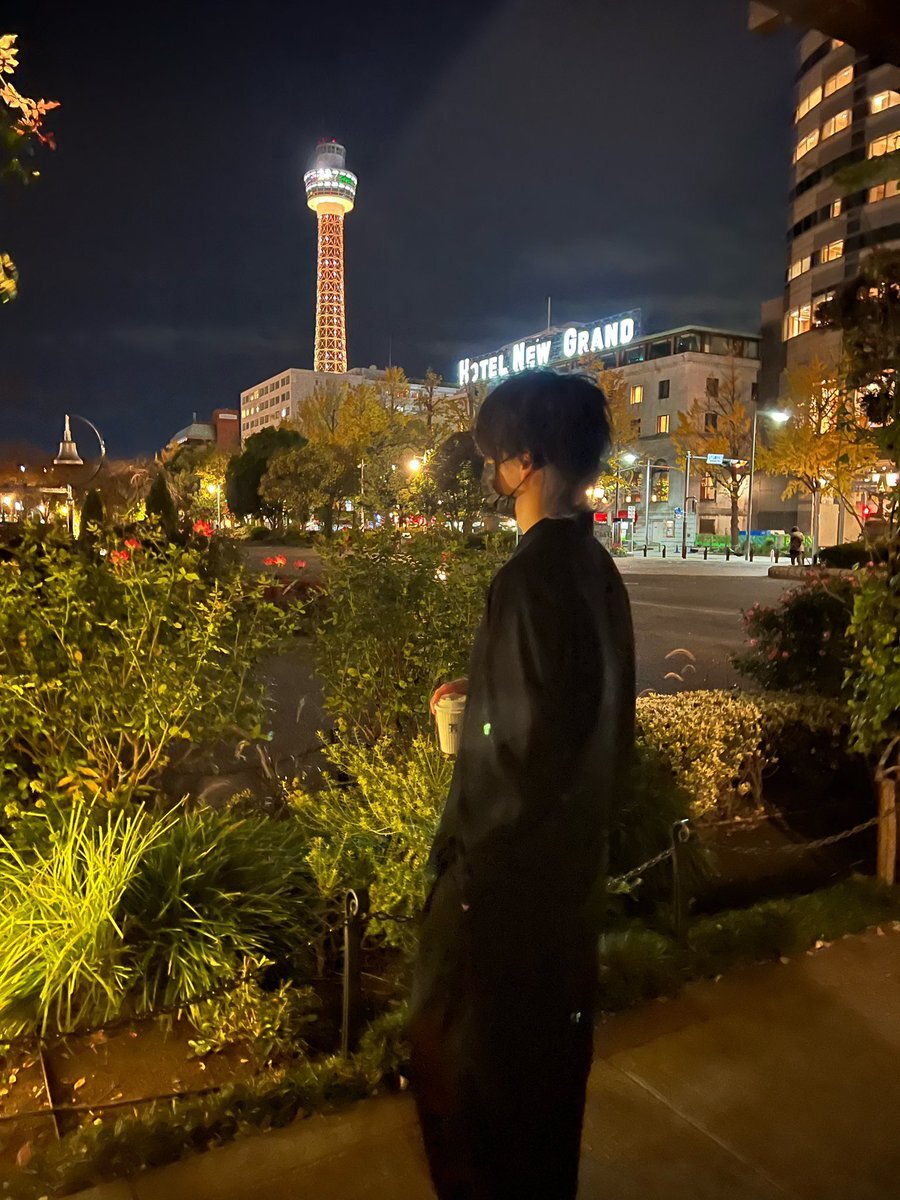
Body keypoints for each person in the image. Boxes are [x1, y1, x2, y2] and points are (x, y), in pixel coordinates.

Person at [409, 370, 636, 1199]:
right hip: (569, 889)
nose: (492, 473)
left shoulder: (527, 578)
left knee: (473, 1092)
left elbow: (513, 759)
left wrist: (461, 880)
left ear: (527, 460)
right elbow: (580, 717)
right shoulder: (597, 570)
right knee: (546, 1098)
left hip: (502, 901)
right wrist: (485, 702)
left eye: (495, 456)